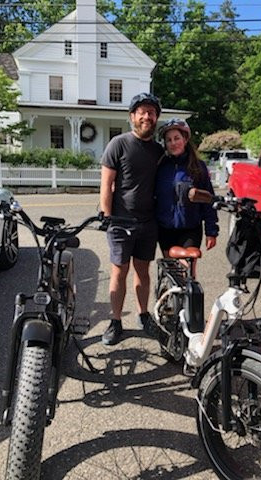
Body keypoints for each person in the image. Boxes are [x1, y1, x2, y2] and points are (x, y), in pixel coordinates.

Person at [100, 92, 164, 345]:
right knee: (119, 272)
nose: (147, 116)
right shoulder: (118, 144)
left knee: (143, 271)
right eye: (142, 112)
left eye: (152, 112)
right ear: (132, 117)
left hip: (148, 222)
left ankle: (143, 314)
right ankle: (115, 321)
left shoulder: (159, 151)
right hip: (120, 221)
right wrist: (107, 216)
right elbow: (106, 184)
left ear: (156, 118)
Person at [155, 118, 219, 271]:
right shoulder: (160, 166)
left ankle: (190, 295)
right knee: (170, 272)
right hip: (165, 228)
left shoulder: (198, 167)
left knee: (186, 272)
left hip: (190, 228)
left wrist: (212, 231)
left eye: (177, 138)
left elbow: (208, 200)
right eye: (169, 140)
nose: (173, 143)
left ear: (185, 139)